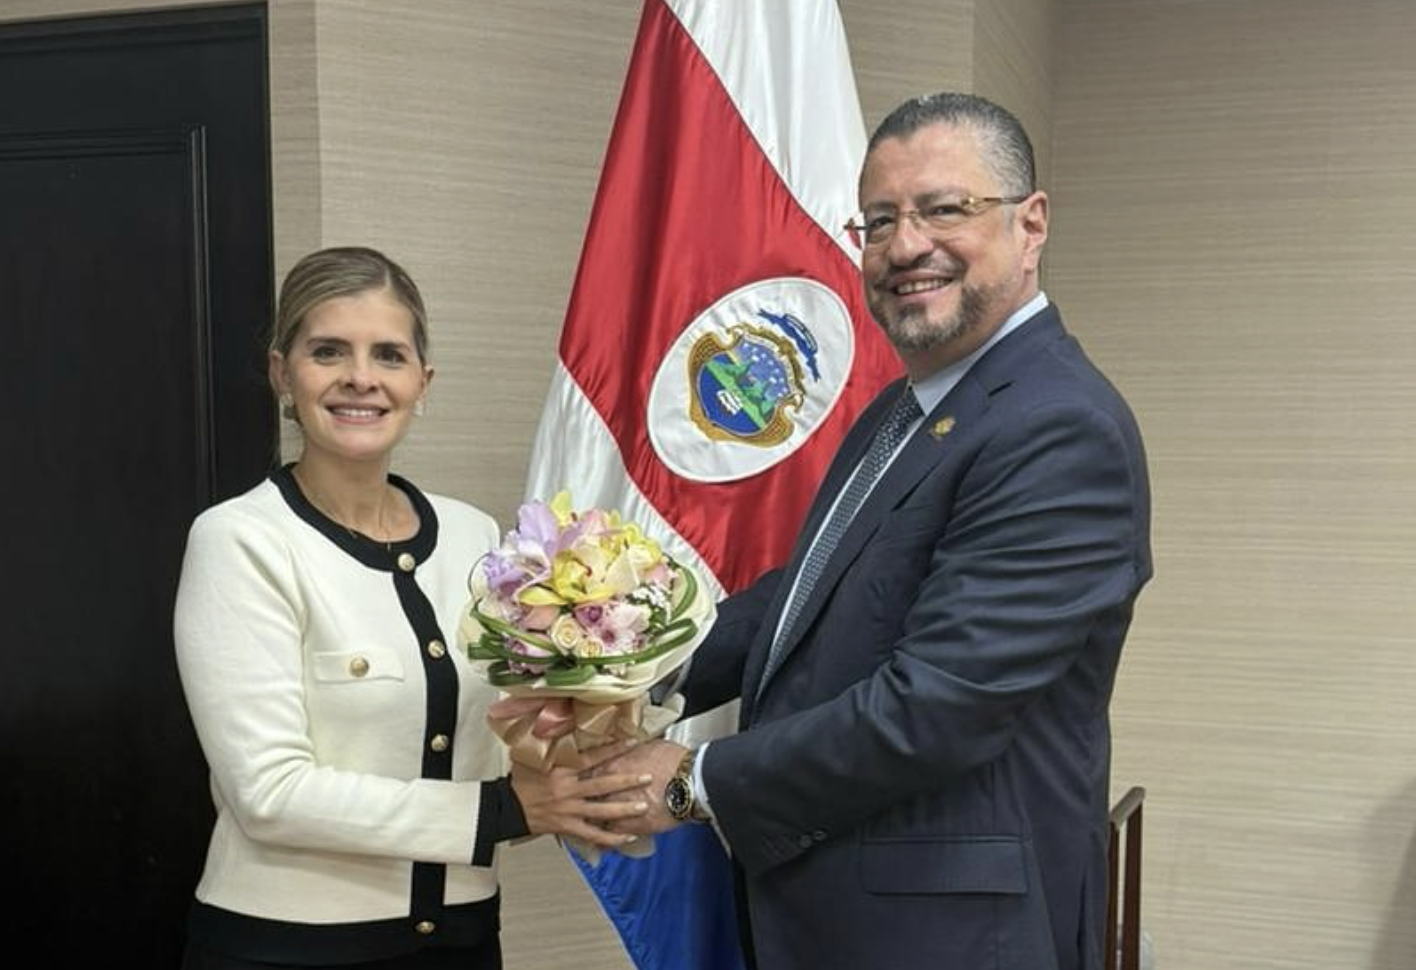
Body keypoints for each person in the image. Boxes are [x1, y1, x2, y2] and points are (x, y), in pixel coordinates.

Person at [601, 92, 1153, 970]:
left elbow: (935, 707)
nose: (904, 247)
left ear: (1031, 223)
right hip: (834, 912)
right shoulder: (906, 408)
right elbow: (814, 589)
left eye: (944, 209)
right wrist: (632, 663)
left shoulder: (1058, 426)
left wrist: (691, 780)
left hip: (947, 937)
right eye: (881, 220)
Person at [173, 246, 651, 970]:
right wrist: (508, 811)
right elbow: (268, 794)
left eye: (388, 355)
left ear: (422, 382)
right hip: (288, 951)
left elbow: (497, 743)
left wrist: (592, 740)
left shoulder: (474, 536)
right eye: (328, 350)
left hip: (460, 941)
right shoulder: (241, 541)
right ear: (281, 373)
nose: (360, 378)